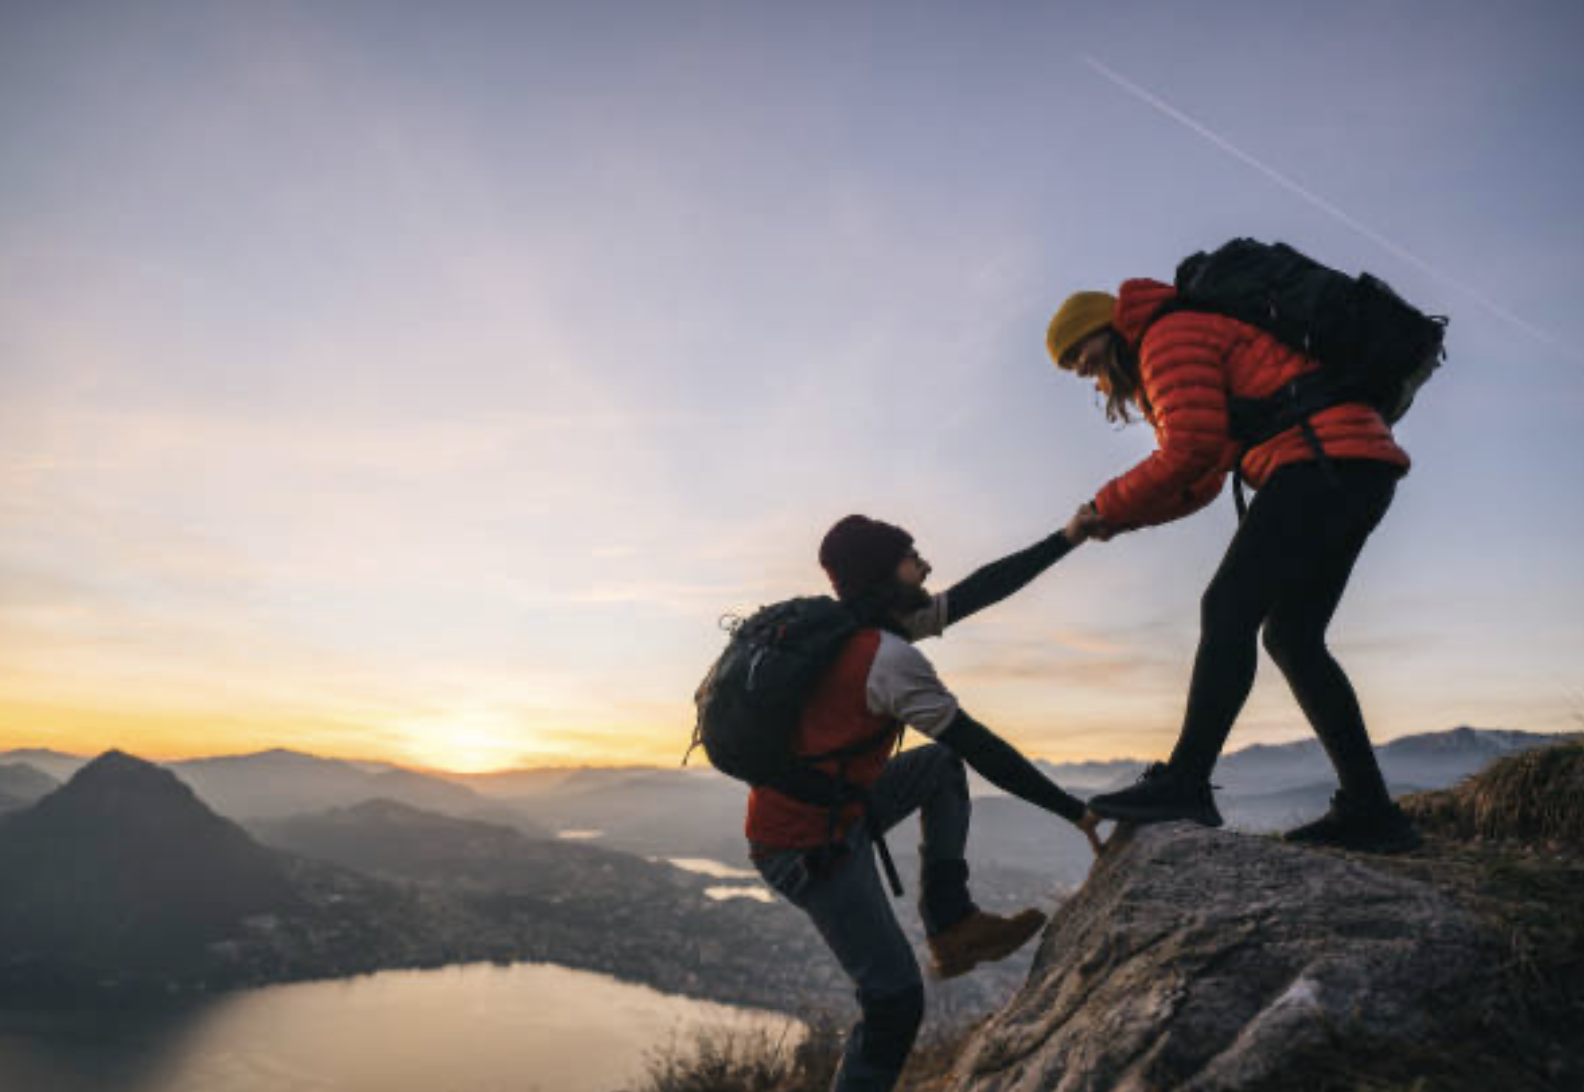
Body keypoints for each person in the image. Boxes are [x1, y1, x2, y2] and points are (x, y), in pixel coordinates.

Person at [1045, 281, 1420, 854]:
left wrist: (1104, 504)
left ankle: (1187, 781)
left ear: (1108, 325)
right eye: (1074, 368)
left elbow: (1189, 449)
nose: (1087, 373)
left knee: (1227, 609)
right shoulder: (1173, 337)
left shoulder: (1165, 336)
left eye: (1081, 354)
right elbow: (1204, 476)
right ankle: (1372, 812)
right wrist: (1116, 520)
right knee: (1293, 637)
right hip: (1352, 466)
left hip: (1317, 459)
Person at [748, 513, 1100, 1092]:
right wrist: (1075, 811)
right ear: (884, 573)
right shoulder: (886, 659)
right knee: (894, 1004)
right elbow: (981, 746)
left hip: (834, 811)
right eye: (912, 557)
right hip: (807, 846)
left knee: (937, 767)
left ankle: (951, 923)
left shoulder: (859, 629)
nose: (926, 564)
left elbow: (982, 588)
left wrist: (1067, 537)